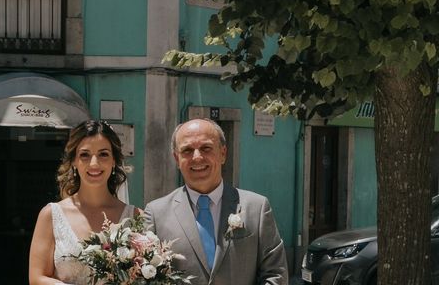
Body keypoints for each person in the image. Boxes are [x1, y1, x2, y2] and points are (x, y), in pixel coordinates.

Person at [144, 118, 288, 285]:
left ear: (223, 153)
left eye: (206, 148)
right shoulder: (156, 214)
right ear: (177, 159)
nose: (197, 157)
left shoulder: (257, 208)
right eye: (187, 150)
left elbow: (276, 274)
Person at [29, 120, 136, 285]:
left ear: (114, 160)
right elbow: (36, 279)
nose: (94, 163)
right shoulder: (51, 215)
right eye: (85, 155)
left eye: (103, 154)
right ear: (73, 161)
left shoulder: (135, 217)